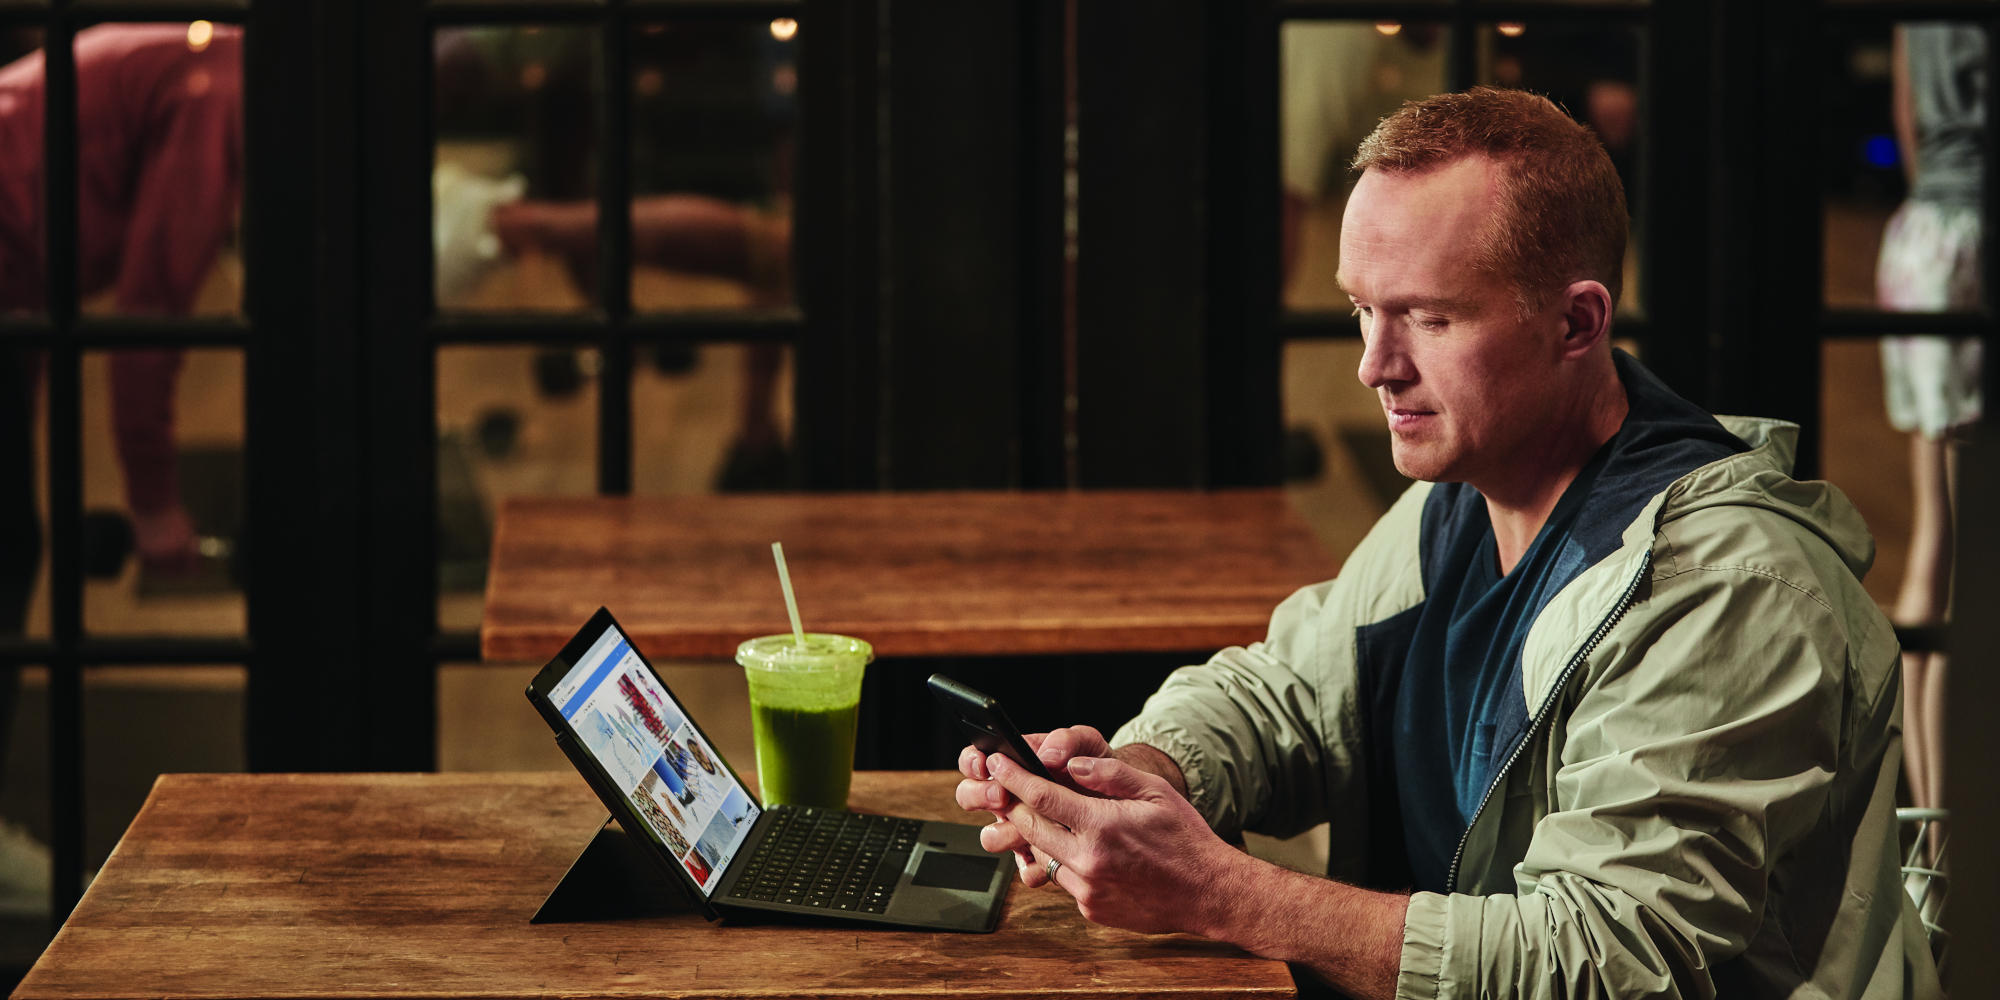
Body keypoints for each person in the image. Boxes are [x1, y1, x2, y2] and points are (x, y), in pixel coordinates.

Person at [958, 87, 1941, 999]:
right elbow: (1287, 693)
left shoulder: (1729, 587)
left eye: (1428, 318)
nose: (1372, 367)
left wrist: (1215, 891)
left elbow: (1598, 958)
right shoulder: (1470, 488)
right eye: (1360, 309)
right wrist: (1139, 775)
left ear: (1576, 322)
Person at [1876, 22, 1984, 820]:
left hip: (1919, 239)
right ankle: (1952, 834)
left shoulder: (1917, 15)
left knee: (1935, 542)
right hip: (1978, 243)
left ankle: (1929, 829)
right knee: (1970, 558)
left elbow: (1909, 126)